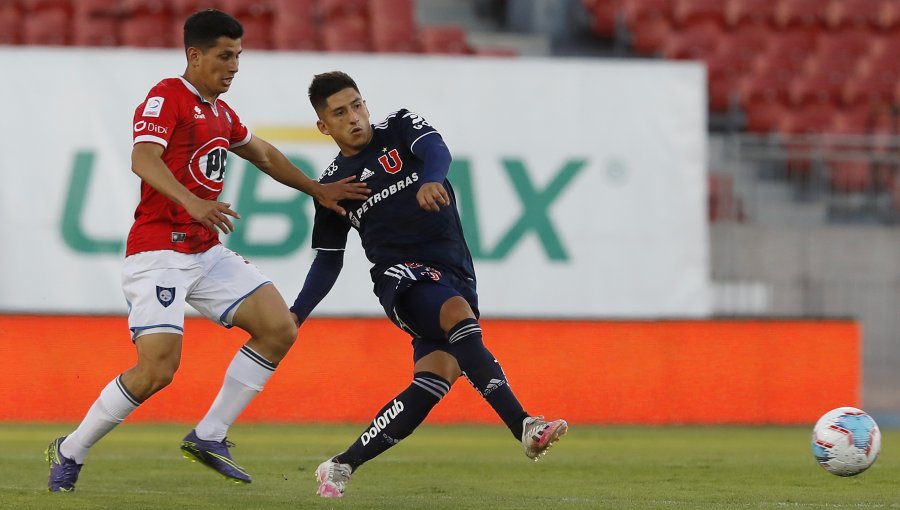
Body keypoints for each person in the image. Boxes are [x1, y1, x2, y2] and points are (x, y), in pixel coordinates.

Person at [45, 10, 368, 492]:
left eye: (238, 55)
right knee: (157, 370)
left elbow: (263, 154)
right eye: (224, 55)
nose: (234, 65)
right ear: (194, 56)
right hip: (158, 250)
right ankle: (71, 449)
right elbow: (142, 157)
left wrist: (315, 190)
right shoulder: (166, 96)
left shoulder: (220, 111)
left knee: (280, 327)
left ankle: (210, 434)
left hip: (204, 250)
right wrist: (193, 200)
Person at [291, 71, 568, 499]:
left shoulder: (400, 126)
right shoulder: (333, 187)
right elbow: (328, 262)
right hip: (401, 278)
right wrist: (296, 314)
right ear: (324, 127)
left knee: (434, 379)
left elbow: (436, 149)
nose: (355, 118)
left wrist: (431, 179)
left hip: (453, 270)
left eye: (358, 105)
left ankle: (342, 464)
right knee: (455, 314)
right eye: (340, 113)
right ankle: (525, 425)